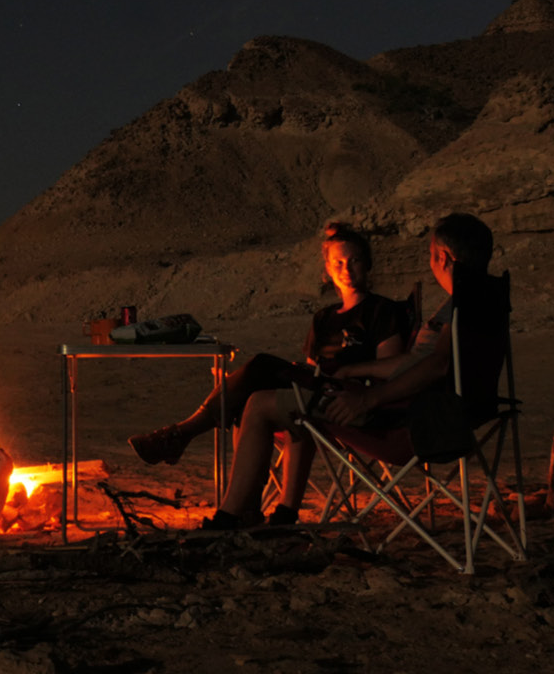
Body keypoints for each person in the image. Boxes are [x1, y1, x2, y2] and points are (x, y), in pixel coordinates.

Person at [202, 212, 497, 529]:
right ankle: (255, 511)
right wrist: (354, 371)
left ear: (442, 256)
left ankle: (230, 517)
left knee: (260, 403)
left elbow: (437, 366)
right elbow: (423, 364)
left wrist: (369, 398)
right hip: (427, 410)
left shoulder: (460, 307)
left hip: (401, 421)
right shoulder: (481, 300)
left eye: (429, 254)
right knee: (274, 396)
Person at [129, 221, 414, 526]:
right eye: (338, 262)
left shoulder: (382, 310)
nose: (346, 269)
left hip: (353, 400)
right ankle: (257, 510)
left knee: (262, 369)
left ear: (367, 263)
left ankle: (185, 440)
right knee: (251, 401)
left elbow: (391, 367)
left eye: (354, 260)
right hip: (319, 395)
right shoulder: (324, 318)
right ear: (328, 269)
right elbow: (310, 366)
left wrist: (350, 371)